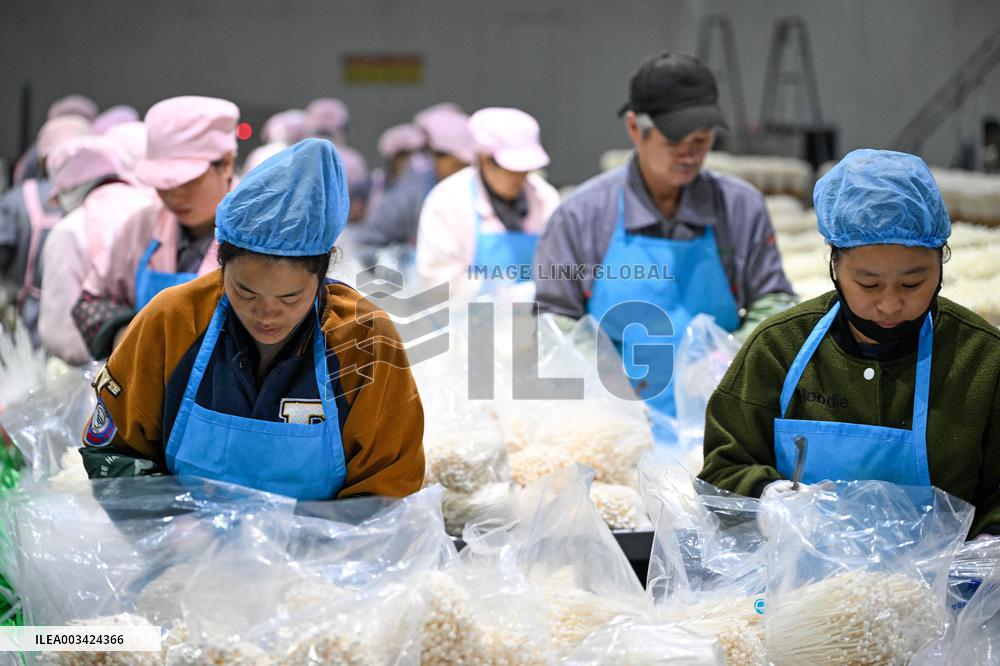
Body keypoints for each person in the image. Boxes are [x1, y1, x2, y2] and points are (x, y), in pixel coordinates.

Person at [79, 139, 425, 501]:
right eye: (245, 292)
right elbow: (113, 452)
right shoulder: (172, 320)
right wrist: (171, 527)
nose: (266, 314)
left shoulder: (363, 339)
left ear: (323, 272)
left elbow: (390, 489)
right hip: (188, 554)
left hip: (321, 555)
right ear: (220, 264)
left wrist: (316, 546)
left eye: (290, 298)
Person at [699, 149, 1000, 538]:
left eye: (913, 283)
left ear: (941, 263)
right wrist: (768, 501)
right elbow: (722, 470)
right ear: (835, 266)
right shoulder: (779, 348)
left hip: (948, 592)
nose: (890, 304)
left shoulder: (983, 360)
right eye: (868, 284)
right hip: (802, 590)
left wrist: (984, 560)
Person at [533, 52, 795, 425]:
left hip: (718, 418)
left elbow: (776, 301)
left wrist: (728, 357)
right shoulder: (582, 215)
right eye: (675, 140)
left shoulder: (739, 207)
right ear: (635, 129)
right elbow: (553, 319)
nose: (690, 154)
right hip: (616, 423)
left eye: (701, 140)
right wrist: (601, 378)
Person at [72, 96, 238, 360]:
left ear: (226, 163)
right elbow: (90, 300)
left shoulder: (259, 232)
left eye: (188, 182)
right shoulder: (142, 225)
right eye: (164, 184)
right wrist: (122, 336)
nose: (174, 196)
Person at [39, 133, 155, 364]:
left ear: (67, 190)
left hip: (100, 378)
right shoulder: (154, 213)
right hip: (162, 363)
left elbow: (63, 337)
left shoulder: (70, 229)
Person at [416, 107, 559, 291]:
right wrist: (500, 296)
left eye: (524, 169)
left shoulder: (545, 198)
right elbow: (437, 285)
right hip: (464, 317)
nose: (519, 176)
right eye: (510, 168)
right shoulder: (447, 202)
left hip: (533, 317)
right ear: (483, 159)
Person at [0, 115, 90, 338]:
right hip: (82, 328)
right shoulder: (99, 198)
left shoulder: (18, 199)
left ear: (40, 157)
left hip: (25, 323)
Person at [354, 107, 475, 254]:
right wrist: (404, 261)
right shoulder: (412, 193)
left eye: (442, 155)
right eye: (437, 155)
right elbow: (366, 244)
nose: (435, 162)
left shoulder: (481, 193)